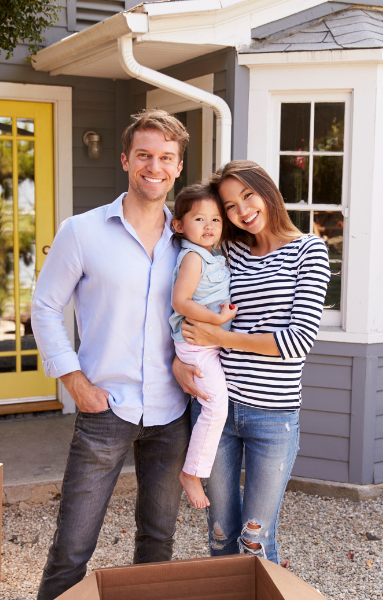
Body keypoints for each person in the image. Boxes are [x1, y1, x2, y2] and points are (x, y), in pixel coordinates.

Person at [31, 109, 198, 600]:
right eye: (144, 155)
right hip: (105, 408)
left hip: (171, 412)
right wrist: (73, 380)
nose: (155, 166)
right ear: (126, 159)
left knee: (158, 541)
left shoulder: (188, 239)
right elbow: (44, 305)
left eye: (166, 158)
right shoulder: (82, 231)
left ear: (178, 167)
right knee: (73, 547)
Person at [174, 160, 330, 566]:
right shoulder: (229, 251)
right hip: (216, 409)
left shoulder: (309, 251)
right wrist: (178, 363)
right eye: (229, 206)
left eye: (247, 196)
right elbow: (178, 287)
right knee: (220, 532)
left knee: (255, 537)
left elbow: (297, 342)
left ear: (267, 190)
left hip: (273, 418)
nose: (241, 211)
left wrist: (221, 337)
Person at [168, 183, 237, 509]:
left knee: (213, 403)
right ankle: (192, 473)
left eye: (216, 220)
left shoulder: (213, 255)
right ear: (179, 225)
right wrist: (216, 319)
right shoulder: (193, 257)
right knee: (216, 406)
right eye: (199, 219)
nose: (209, 226)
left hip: (205, 343)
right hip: (196, 344)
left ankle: (195, 470)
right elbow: (180, 301)